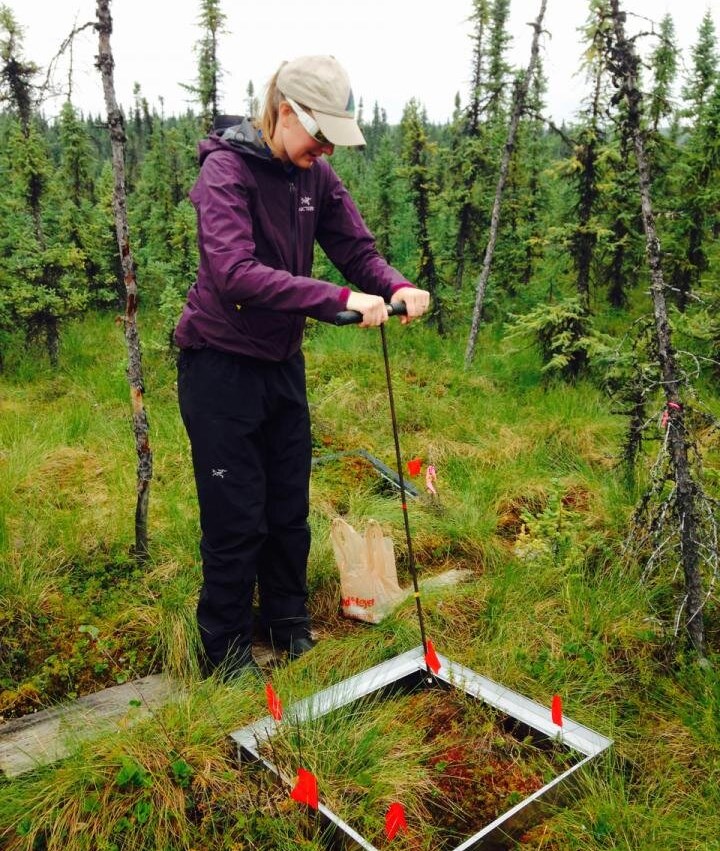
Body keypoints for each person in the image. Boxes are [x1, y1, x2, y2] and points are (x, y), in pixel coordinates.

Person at [174, 54, 430, 679]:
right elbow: (234, 274)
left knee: (287, 504)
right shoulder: (226, 173)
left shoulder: (312, 176)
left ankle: (285, 623)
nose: (328, 151)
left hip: (279, 364)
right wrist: (336, 300)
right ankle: (225, 652)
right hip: (218, 367)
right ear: (285, 112)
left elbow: (354, 248)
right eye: (320, 137)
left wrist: (394, 285)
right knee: (237, 516)